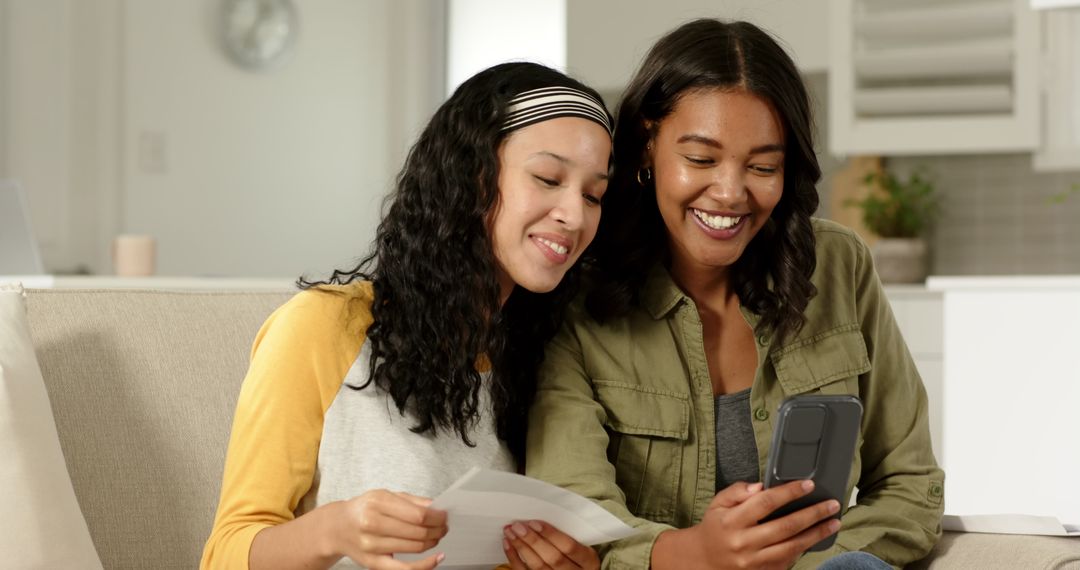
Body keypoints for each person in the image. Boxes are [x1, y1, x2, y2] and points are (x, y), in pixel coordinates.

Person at [525, 19, 944, 570]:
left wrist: (792, 563)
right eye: (700, 159)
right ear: (648, 145)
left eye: (763, 166)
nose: (729, 193)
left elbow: (910, 486)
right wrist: (697, 556)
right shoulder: (577, 295)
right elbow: (577, 518)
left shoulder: (839, 265)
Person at [201, 62, 614, 570]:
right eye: (548, 178)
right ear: (472, 176)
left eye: (594, 195)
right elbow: (224, 555)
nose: (575, 215)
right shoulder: (324, 328)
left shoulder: (547, 358)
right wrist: (334, 529)